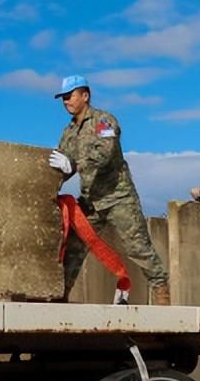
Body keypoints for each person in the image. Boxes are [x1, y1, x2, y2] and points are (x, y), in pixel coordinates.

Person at [48, 75, 171, 306]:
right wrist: (51, 183)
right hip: (91, 202)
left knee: (138, 247)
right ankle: (59, 297)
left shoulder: (104, 121)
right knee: (72, 248)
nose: (66, 101)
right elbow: (62, 164)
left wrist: (74, 164)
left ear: (85, 96)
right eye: (63, 98)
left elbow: (105, 153)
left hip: (118, 198)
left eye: (69, 96)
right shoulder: (69, 132)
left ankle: (161, 290)